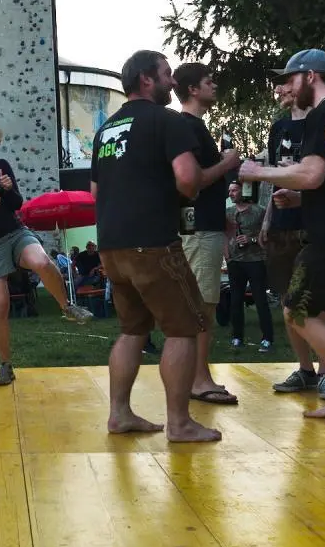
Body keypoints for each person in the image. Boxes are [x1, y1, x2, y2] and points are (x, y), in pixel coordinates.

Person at [239, 49, 325, 431]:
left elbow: (313, 174)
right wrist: (301, 197)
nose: (284, 86)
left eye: (289, 78)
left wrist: (257, 172)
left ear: (311, 76)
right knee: (323, 313)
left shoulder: (323, 113)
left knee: (297, 312)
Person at [92, 50, 219, 443]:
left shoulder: (107, 130)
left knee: (132, 331)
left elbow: (95, 190)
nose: (173, 82)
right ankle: (180, 423)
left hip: (112, 246)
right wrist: (222, 168)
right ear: (147, 79)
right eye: (166, 75)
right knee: (183, 329)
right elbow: (187, 179)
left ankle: (119, 415)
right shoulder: (166, 121)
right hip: (153, 244)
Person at [0, 118, 93, 384]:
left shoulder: (2, 167)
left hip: (15, 233)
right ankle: (5, 365)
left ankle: (67, 306)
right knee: (0, 306)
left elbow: (16, 203)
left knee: (41, 261)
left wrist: (6, 190)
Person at [172, 63, 242, 405]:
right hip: (198, 231)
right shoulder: (188, 127)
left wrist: (221, 219)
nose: (215, 85)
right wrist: (228, 164)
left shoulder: (192, 127)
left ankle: (197, 375)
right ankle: (199, 380)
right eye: (208, 81)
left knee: (202, 303)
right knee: (203, 306)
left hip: (203, 226)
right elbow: (193, 180)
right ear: (193, 90)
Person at [264, 80, 325, 399]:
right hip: (282, 226)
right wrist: (267, 217)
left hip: (314, 224)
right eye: (276, 87)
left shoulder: (322, 119)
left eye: (284, 84)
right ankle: (305, 370)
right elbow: (275, 172)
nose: (279, 91)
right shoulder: (278, 127)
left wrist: (303, 197)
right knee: (287, 301)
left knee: (317, 303)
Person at [225, 183, 274, 351]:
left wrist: (251, 239)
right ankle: (237, 338)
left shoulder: (258, 211)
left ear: (243, 191)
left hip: (255, 260)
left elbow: (268, 236)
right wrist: (227, 255)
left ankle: (267, 338)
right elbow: (225, 235)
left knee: (260, 300)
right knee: (235, 301)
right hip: (235, 262)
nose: (231, 193)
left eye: (235, 190)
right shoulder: (228, 213)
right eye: (230, 190)